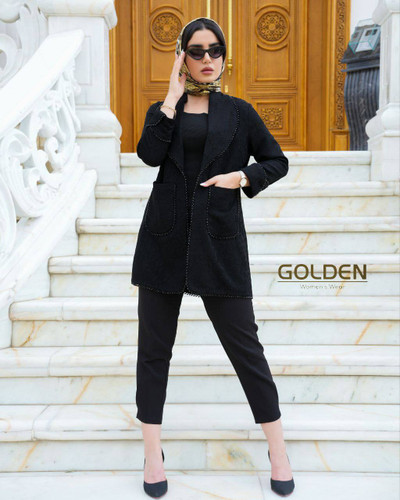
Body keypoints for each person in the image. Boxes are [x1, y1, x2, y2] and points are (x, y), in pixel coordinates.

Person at [132, 17, 294, 498]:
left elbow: (276, 161)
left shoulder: (239, 113)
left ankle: (279, 452)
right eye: (196, 51)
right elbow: (148, 155)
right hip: (163, 240)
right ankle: (153, 454)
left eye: (214, 50)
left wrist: (240, 178)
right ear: (182, 56)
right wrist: (170, 98)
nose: (207, 59)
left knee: (247, 349)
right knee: (153, 353)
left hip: (219, 241)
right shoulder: (163, 111)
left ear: (224, 56)